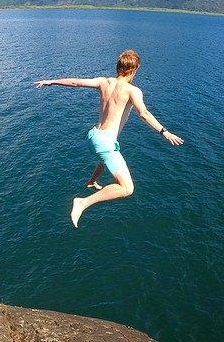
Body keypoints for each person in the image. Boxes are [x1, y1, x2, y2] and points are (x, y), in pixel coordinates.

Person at [34, 49, 184, 227]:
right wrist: (164, 131)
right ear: (135, 70)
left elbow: (75, 82)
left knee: (108, 155)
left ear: (118, 67)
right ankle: (82, 202)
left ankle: (92, 180)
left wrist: (51, 81)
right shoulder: (132, 91)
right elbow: (143, 114)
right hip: (104, 142)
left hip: (93, 136)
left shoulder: (103, 82)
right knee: (127, 188)